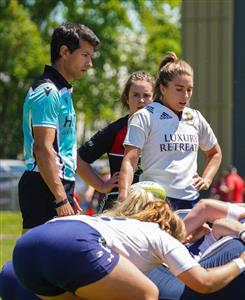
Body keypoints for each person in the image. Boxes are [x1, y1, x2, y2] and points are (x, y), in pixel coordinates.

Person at [11, 185, 245, 299]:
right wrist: (242, 262)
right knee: (147, 292)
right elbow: (204, 283)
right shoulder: (162, 235)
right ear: (170, 227)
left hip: (26, 249)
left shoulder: (120, 226)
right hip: (75, 242)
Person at [18, 23, 100, 234]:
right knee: (34, 260)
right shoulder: (48, 91)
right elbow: (43, 149)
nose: (89, 63)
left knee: (56, 261)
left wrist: (67, 192)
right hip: (42, 185)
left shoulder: (63, 91)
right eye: (85, 55)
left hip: (56, 185)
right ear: (64, 52)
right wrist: (60, 197)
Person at [119, 52, 222, 210]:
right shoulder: (145, 116)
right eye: (179, 89)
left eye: (189, 89)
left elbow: (215, 153)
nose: (186, 95)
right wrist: (123, 197)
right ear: (163, 88)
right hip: (154, 201)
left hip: (190, 200)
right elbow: (129, 160)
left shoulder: (195, 117)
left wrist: (206, 179)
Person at [77, 71, 154, 212]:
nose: (141, 100)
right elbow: (78, 160)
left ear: (154, 98)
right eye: (136, 95)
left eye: (146, 96)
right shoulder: (115, 130)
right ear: (127, 97)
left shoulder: (162, 129)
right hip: (117, 205)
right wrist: (101, 186)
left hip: (152, 204)